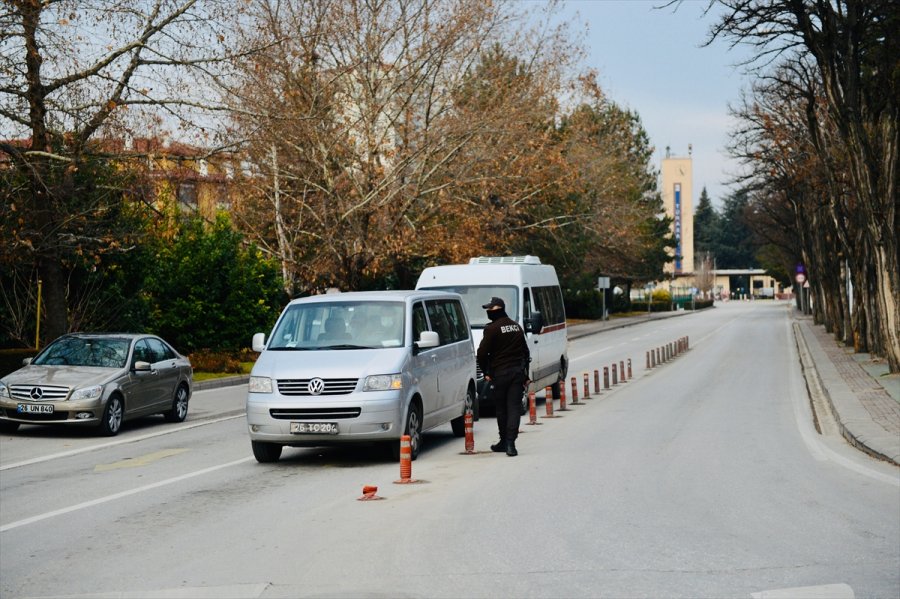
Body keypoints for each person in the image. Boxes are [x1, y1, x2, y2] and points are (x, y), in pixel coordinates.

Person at [476, 296, 530, 457]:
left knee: (501, 409)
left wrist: (486, 372)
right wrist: (524, 373)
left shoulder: (492, 329)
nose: (487, 312)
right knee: (514, 408)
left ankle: (504, 441)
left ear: (498, 309)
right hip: (517, 373)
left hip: (500, 374)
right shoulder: (516, 327)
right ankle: (511, 444)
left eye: (490, 309)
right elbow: (526, 352)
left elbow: (481, 353)